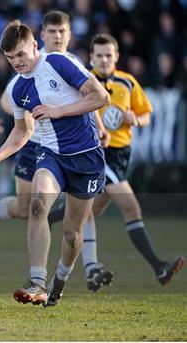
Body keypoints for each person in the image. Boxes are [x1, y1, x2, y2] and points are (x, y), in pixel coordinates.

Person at [0, 20, 110, 306]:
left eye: (21, 55)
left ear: (34, 45)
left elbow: (101, 96)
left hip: (86, 156)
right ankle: (36, 281)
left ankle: (59, 279)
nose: (17, 63)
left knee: (73, 234)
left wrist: (60, 111)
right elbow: (23, 131)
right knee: (38, 205)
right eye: (11, 58)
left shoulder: (59, 63)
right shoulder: (16, 89)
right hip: (50, 154)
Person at [48, 33, 184, 287]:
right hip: (99, 153)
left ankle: (45, 218)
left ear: (117, 57)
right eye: (99, 55)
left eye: (108, 55)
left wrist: (134, 118)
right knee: (131, 208)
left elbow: (146, 116)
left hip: (122, 154)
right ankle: (159, 267)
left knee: (91, 209)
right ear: (91, 57)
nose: (104, 60)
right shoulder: (84, 80)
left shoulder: (127, 82)